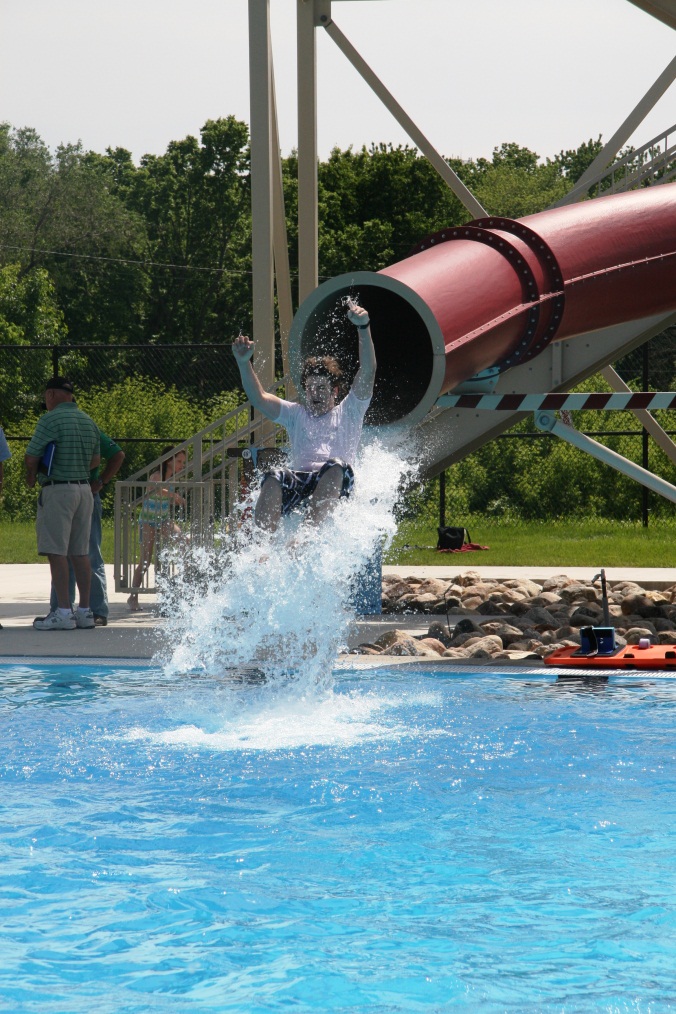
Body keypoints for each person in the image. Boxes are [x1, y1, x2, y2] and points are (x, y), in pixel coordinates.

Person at [232, 298, 376, 532]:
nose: (314, 394)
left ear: (335, 391)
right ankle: (262, 549)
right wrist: (243, 363)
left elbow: (368, 370)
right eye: (309, 389)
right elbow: (258, 398)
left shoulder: (350, 410)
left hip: (336, 485)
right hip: (301, 482)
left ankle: (305, 537)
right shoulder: (294, 413)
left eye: (321, 388)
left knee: (336, 465)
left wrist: (363, 327)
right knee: (273, 476)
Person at [24, 377, 100, 631]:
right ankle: (86, 612)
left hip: (58, 490)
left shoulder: (50, 419)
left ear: (51, 395)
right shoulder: (88, 420)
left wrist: (32, 476)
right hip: (84, 490)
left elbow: (32, 455)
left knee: (56, 552)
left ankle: (64, 612)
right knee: (80, 553)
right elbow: (95, 460)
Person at [48, 430, 125, 626]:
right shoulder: (59, 427)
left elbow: (118, 455)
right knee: (63, 553)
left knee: (88, 553)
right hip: (74, 493)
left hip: (86, 494)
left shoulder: (88, 429)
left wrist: (102, 481)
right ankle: (63, 609)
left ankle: (94, 610)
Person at [127, 446, 187, 611]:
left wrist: (177, 500)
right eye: (179, 461)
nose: (182, 465)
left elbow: (166, 496)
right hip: (148, 520)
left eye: (183, 462)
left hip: (163, 519)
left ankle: (183, 578)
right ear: (169, 460)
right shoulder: (157, 475)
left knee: (184, 540)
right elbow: (154, 488)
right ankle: (133, 596)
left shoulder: (174, 478)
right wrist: (172, 495)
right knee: (145, 560)